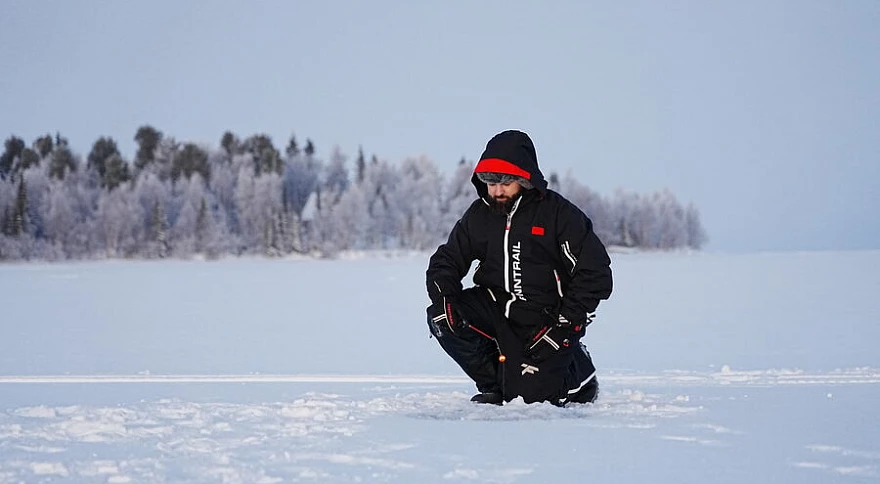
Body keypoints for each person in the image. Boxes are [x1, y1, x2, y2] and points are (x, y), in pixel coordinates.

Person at [426, 130, 613, 406]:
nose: (497, 190)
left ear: (525, 178)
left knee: (532, 402)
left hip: (547, 321)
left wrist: (566, 324)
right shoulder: (480, 215)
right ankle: (495, 384)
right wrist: (444, 297)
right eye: (489, 181)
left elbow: (595, 273)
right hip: (496, 309)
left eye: (505, 181)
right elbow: (447, 260)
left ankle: (578, 369)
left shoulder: (559, 215)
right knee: (442, 317)